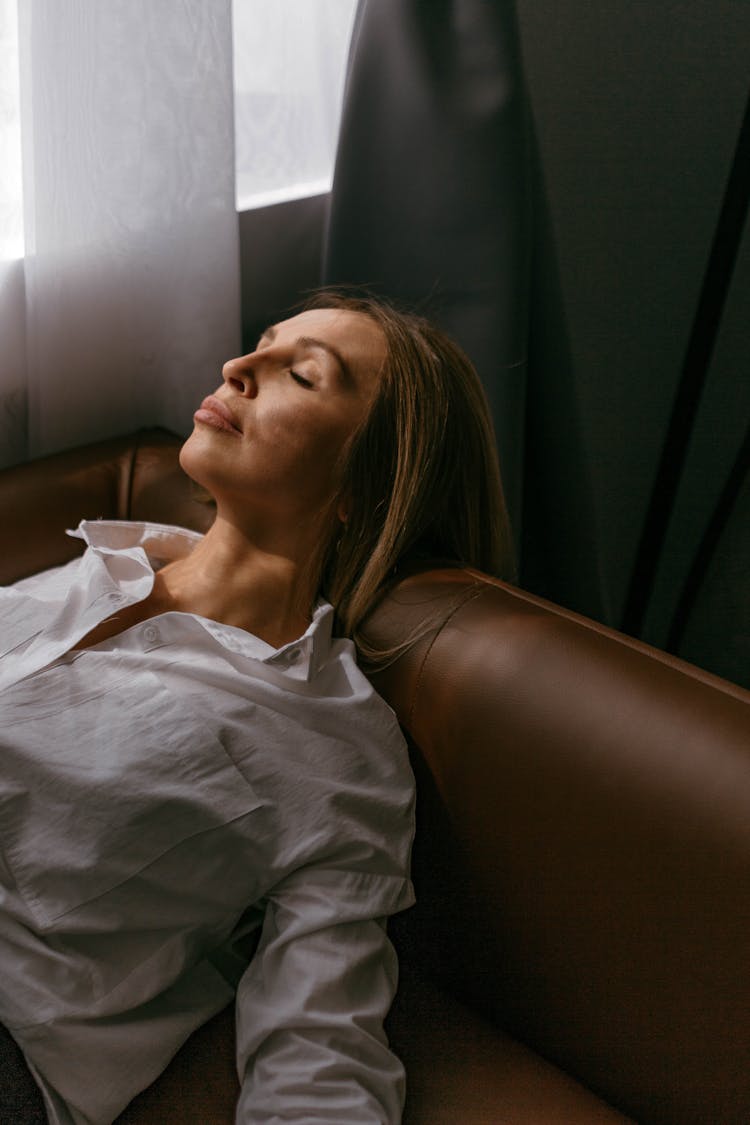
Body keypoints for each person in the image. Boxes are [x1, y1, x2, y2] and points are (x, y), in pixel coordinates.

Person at [0, 292, 514, 1124]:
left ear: (364, 487)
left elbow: (319, 1045)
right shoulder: (88, 571)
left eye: (302, 376)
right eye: (261, 345)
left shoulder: (336, 748)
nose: (240, 368)